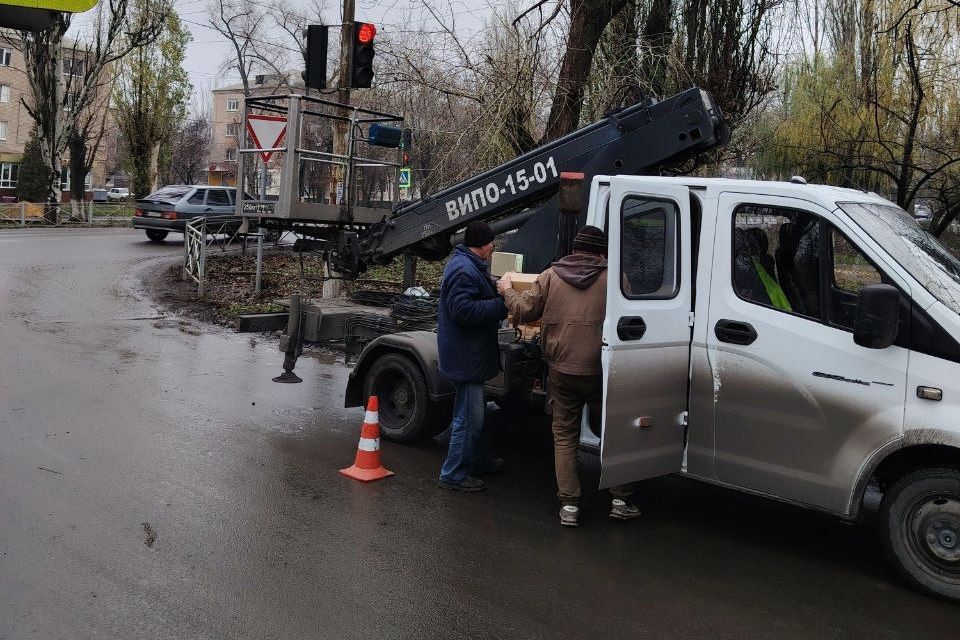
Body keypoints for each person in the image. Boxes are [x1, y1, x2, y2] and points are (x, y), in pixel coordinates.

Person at [497, 225, 640, 527]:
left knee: (564, 436)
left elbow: (524, 310)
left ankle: (569, 506)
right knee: (614, 432)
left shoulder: (550, 276)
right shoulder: (616, 279)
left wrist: (506, 288)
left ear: (573, 249)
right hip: (602, 369)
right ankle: (620, 500)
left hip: (561, 369)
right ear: (601, 253)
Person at [436, 220, 508, 492]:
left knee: (474, 415)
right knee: (468, 419)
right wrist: (501, 304)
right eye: (491, 243)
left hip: (467, 355)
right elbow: (462, 311)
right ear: (483, 245)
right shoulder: (464, 270)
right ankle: (453, 474)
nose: (493, 247)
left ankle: (474, 461)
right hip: (465, 357)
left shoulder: (468, 264)